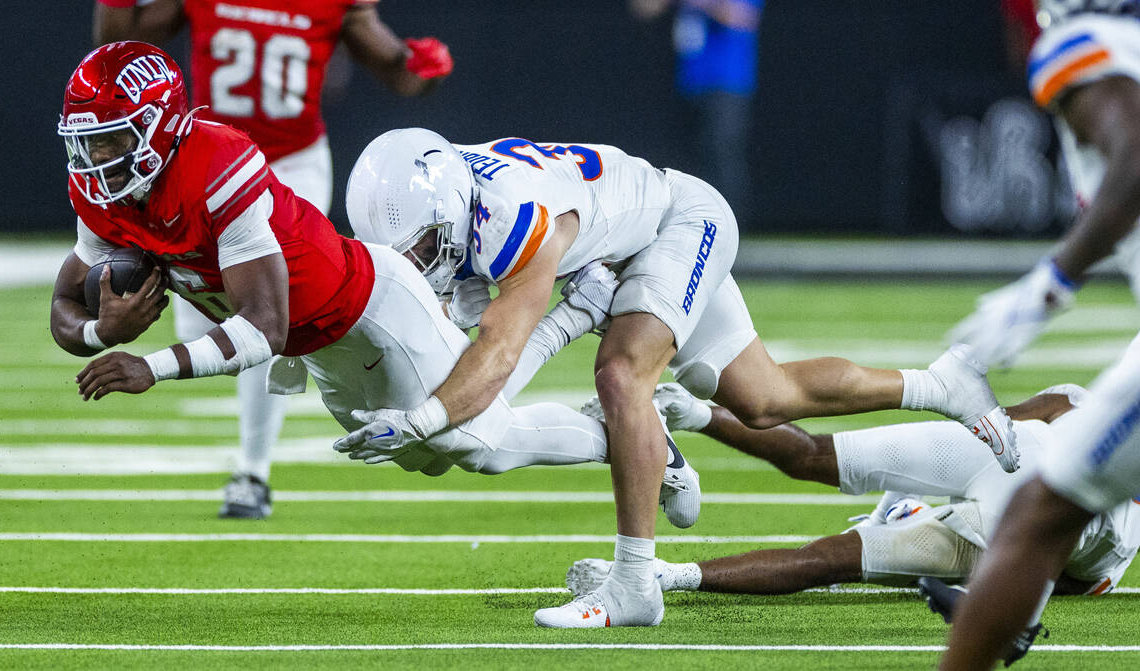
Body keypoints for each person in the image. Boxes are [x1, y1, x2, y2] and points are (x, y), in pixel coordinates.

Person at [339, 128, 1016, 628]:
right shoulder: (455, 204)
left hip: (676, 221)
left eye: (426, 244)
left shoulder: (510, 215)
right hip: (631, 243)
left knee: (622, 374)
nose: (422, 260)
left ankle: (635, 581)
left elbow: (502, 355)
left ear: (452, 203)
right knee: (765, 398)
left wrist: (426, 418)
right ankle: (941, 383)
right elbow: (491, 370)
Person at [49, 43, 700, 525]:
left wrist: (152, 366)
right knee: (426, 458)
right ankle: (615, 419)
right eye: (88, 144)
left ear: (160, 126)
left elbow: (261, 326)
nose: (95, 161)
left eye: (110, 141)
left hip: (371, 304)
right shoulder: (104, 194)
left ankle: (633, 433)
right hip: (316, 343)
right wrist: (101, 330)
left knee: (477, 442)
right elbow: (61, 307)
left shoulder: (218, 165)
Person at [92, 0, 453, 518]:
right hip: (199, 167)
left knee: (261, 316)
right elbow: (117, 44)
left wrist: (423, 72)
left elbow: (397, 71)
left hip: (289, 164)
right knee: (200, 325)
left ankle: (252, 472)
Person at [938, 1, 1140, 668]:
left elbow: (1137, 157)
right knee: (1044, 510)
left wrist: (1049, 285)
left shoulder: (1085, 44)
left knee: (1042, 510)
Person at [569, 383, 1137, 606]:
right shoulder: (1117, 550)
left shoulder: (1084, 406)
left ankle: (690, 412)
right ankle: (666, 575)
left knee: (816, 464)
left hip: (1015, 465)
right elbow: (1050, 570)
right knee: (829, 559)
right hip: (1012, 512)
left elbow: (990, 423)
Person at [629, 0, 762, 232]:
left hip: (727, 82)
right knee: (682, 157)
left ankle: (728, 229)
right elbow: (643, 8)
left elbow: (742, 17)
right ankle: (683, 226)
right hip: (687, 81)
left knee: (721, 154)